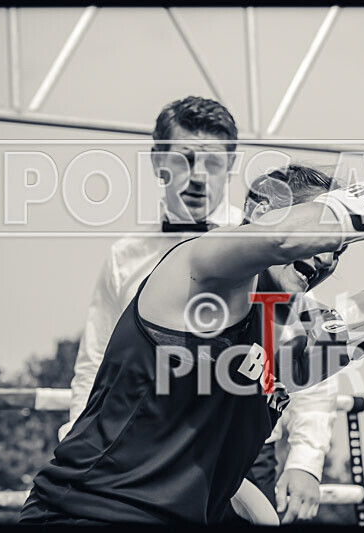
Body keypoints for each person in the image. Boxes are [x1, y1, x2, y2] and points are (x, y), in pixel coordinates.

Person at [19, 161, 364, 525]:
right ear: (265, 213)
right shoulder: (196, 272)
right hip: (86, 514)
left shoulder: (290, 350)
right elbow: (279, 238)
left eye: (341, 250)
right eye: (331, 239)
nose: (328, 256)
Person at [56, 96, 338, 523]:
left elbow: (310, 348)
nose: (199, 176)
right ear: (158, 161)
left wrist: (305, 460)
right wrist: (78, 442)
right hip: (138, 454)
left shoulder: (270, 244)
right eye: (185, 159)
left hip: (244, 452)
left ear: (231, 165)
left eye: (213, 162)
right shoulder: (125, 256)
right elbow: (93, 363)